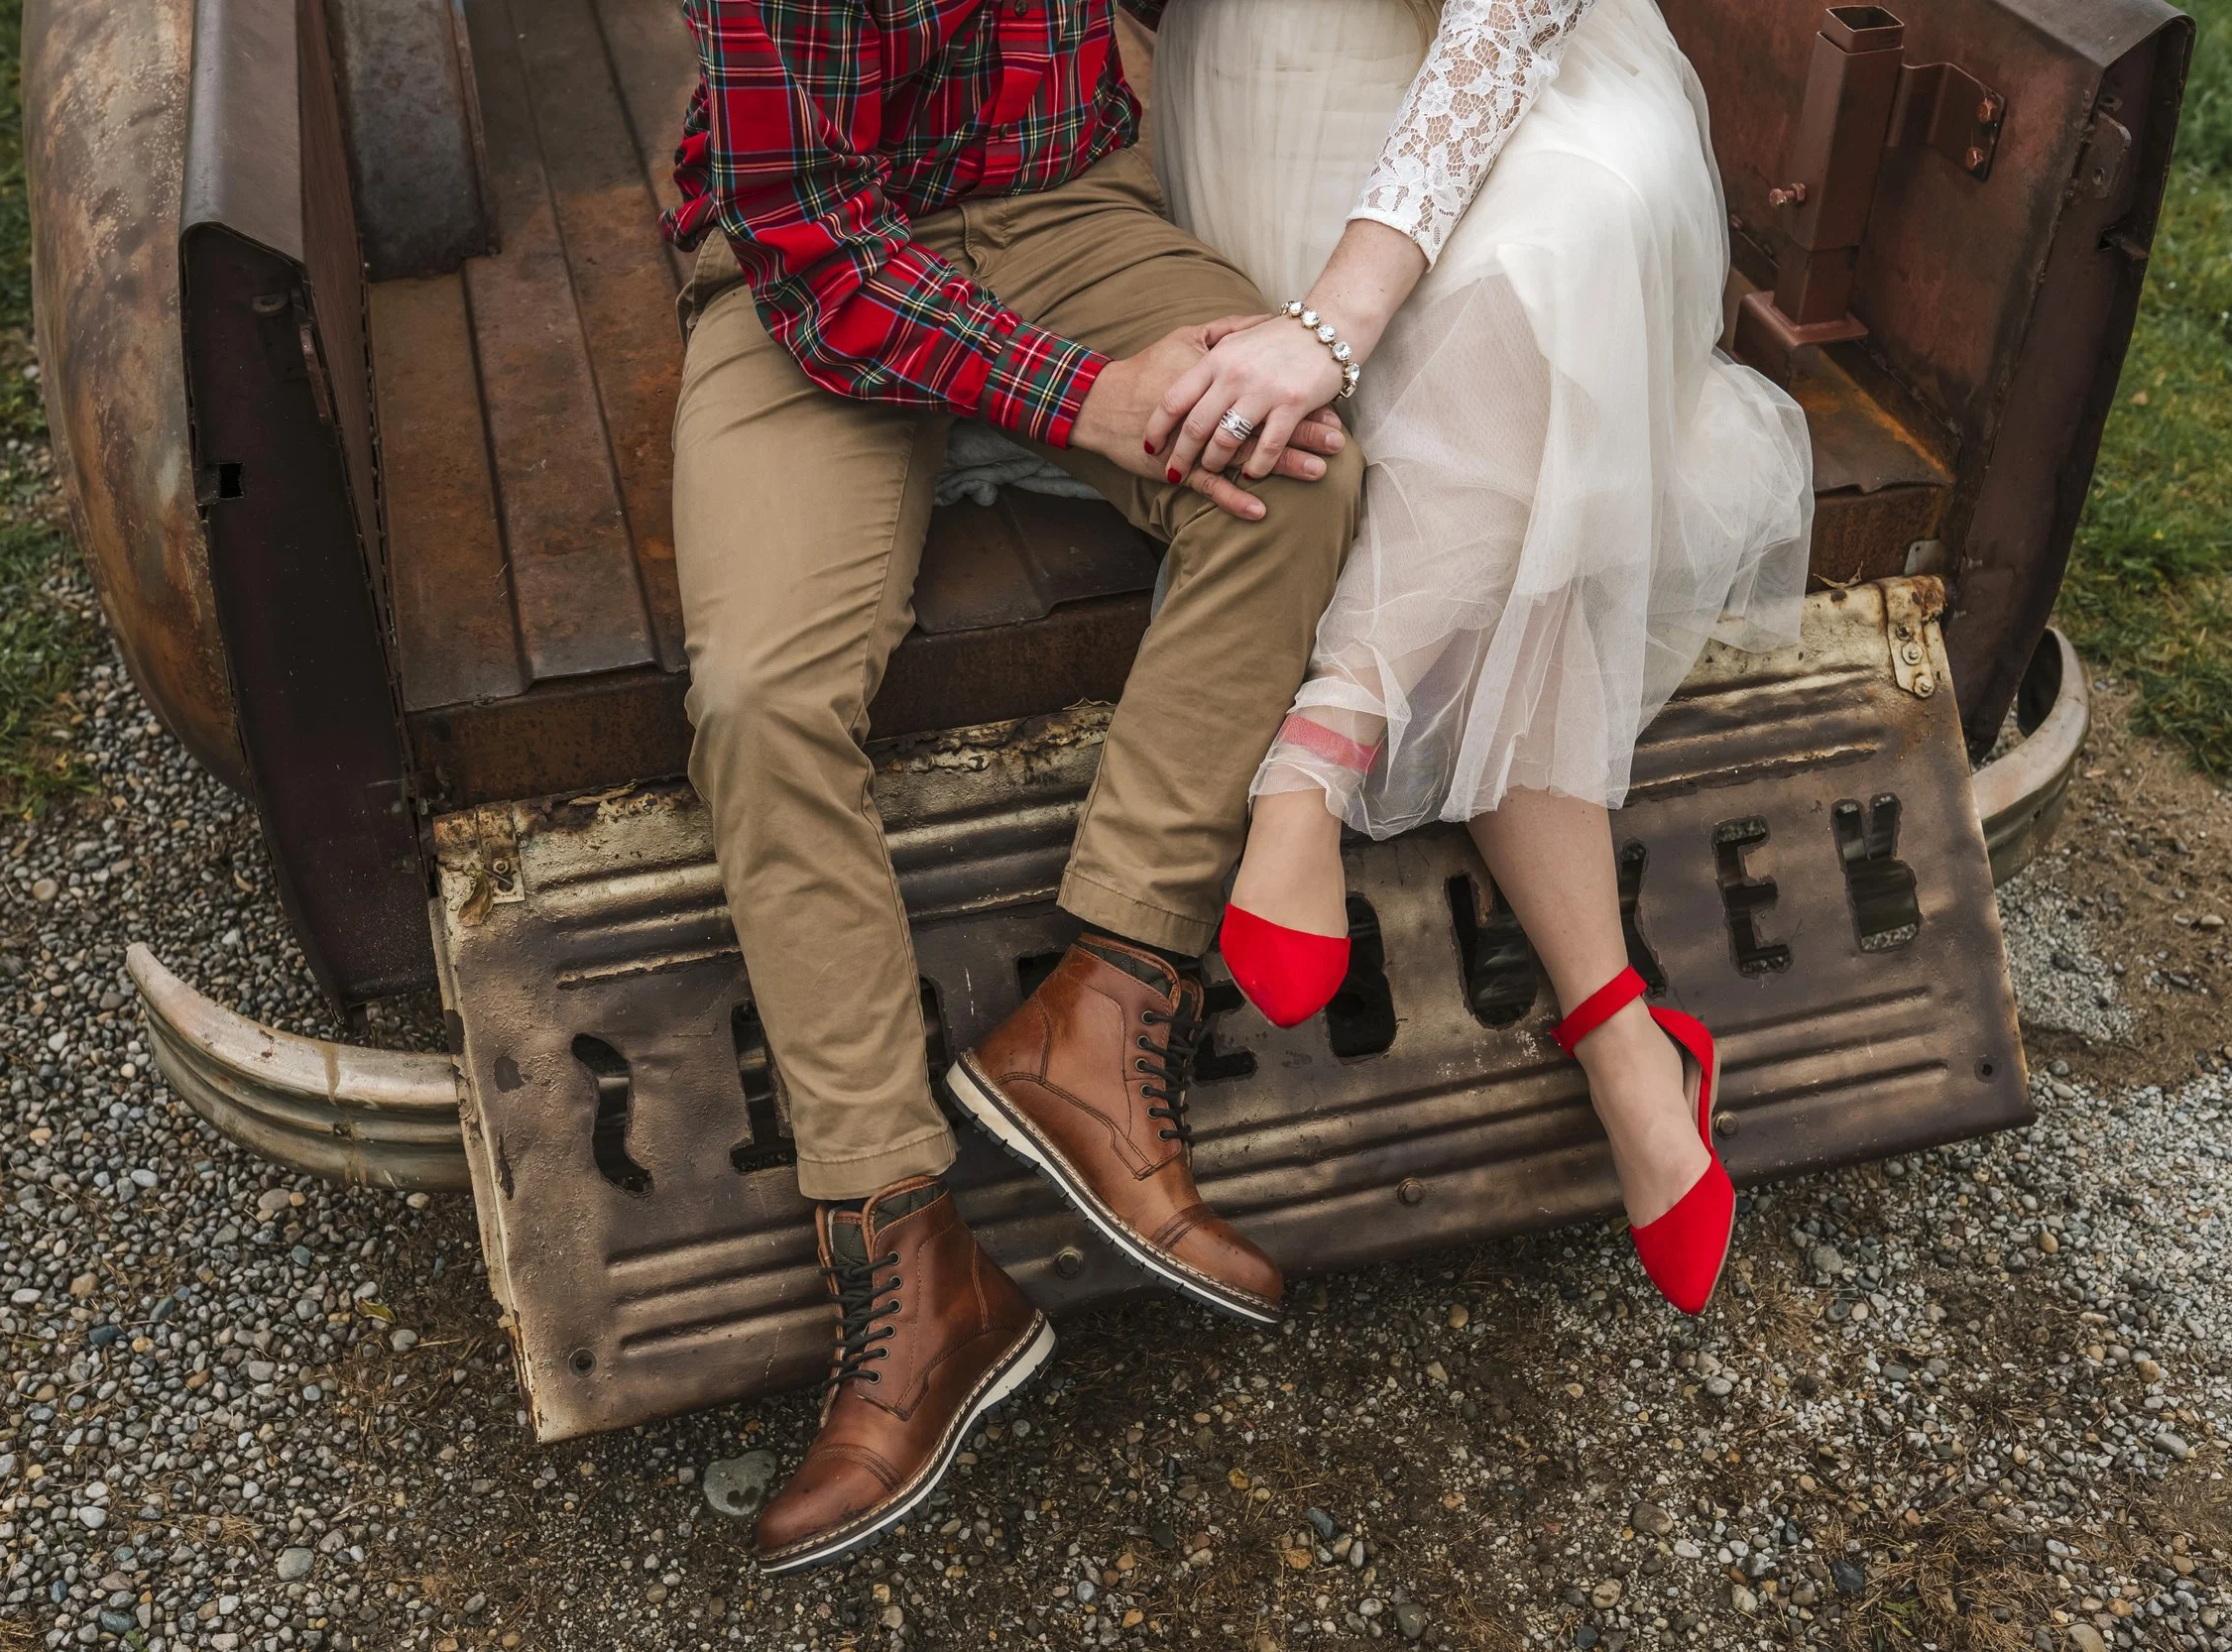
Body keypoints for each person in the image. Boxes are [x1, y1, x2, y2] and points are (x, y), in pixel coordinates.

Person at [664, 0, 1362, 1575]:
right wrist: (1081, 398)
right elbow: (807, 241)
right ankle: (911, 1263)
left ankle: (1104, 1006)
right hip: (808, 271)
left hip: (1065, 207)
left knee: (1299, 462)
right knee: (761, 696)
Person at [1144, 0, 1815, 1313]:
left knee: (1572, 250)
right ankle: (1622, 1032)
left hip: (1519, 65)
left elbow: (1505, 27)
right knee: (1522, 484)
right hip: (1283, 85)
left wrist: (1335, 324)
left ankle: (1315, 758)